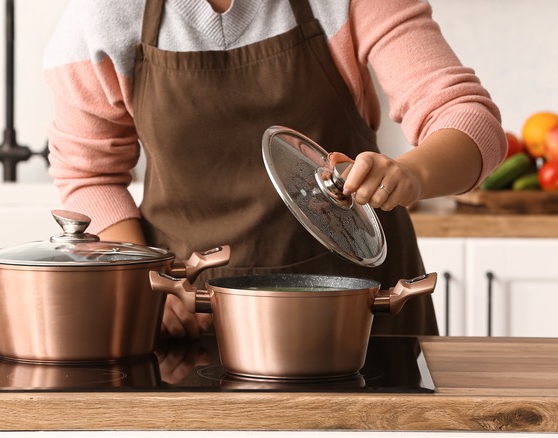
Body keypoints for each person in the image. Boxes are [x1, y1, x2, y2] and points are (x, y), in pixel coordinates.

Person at [42, 0, 506, 338]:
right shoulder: (101, 17)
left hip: (360, 318)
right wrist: (145, 283)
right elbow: (89, 175)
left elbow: (469, 119)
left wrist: (414, 174)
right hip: (190, 320)